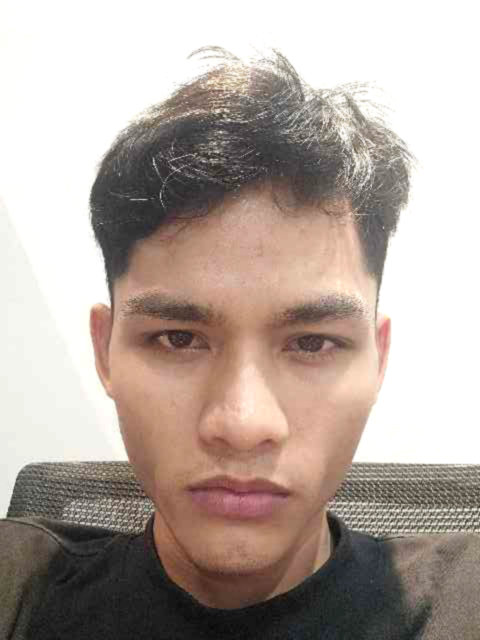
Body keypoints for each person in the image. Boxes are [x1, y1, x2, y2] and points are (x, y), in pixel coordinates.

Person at [1, 47, 479, 640]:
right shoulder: (17, 586)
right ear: (105, 352)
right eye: (178, 338)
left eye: (313, 343)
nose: (243, 425)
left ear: (378, 357)